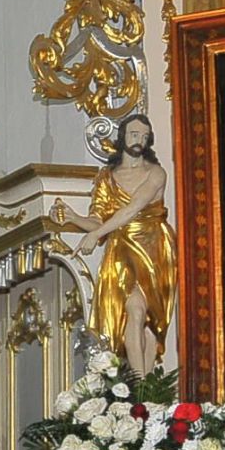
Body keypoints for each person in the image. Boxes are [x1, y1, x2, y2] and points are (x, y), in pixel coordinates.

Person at [65, 112, 177, 375]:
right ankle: (138, 384)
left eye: (145, 136)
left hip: (154, 246)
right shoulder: (107, 177)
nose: (139, 140)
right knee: (134, 310)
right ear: (123, 137)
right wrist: (74, 218)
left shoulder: (155, 173)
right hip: (122, 248)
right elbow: (98, 219)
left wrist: (96, 234)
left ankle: (146, 386)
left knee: (152, 324)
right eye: (134, 134)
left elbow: (133, 208)